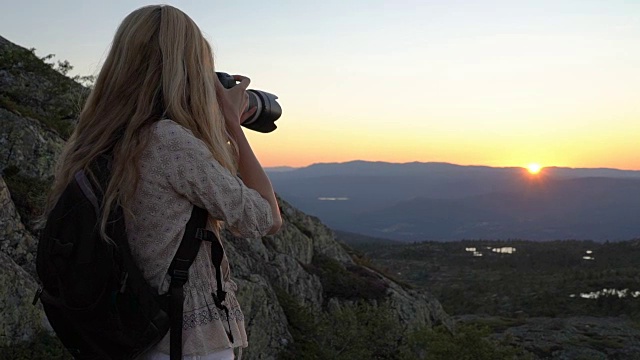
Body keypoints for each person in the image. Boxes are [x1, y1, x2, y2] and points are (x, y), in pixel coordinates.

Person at [44, 4, 282, 360]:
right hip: (187, 345)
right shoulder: (169, 142)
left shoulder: (99, 139)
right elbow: (266, 218)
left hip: (136, 337)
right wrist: (234, 126)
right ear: (186, 70)